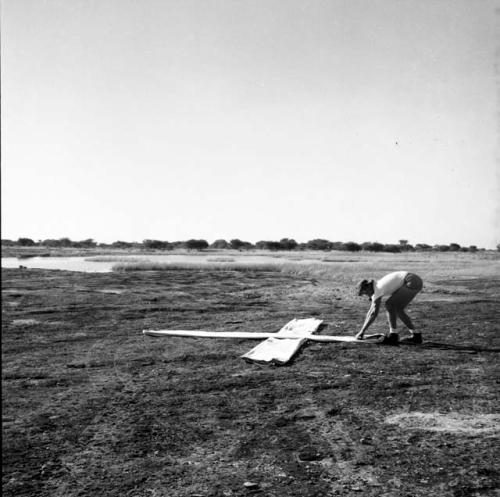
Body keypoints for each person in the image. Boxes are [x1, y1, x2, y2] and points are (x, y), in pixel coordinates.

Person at [355, 271, 423, 345]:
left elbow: (374, 313)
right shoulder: (376, 286)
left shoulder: (378, 288)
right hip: (414, 281)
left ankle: (393, 335)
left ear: (368, 288)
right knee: (398, 309)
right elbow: (371, 312)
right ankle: (416, 335)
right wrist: (362, 331)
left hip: (411, 280)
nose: (367, 295)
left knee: (389, 304)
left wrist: (362, 331)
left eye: (365, 293)